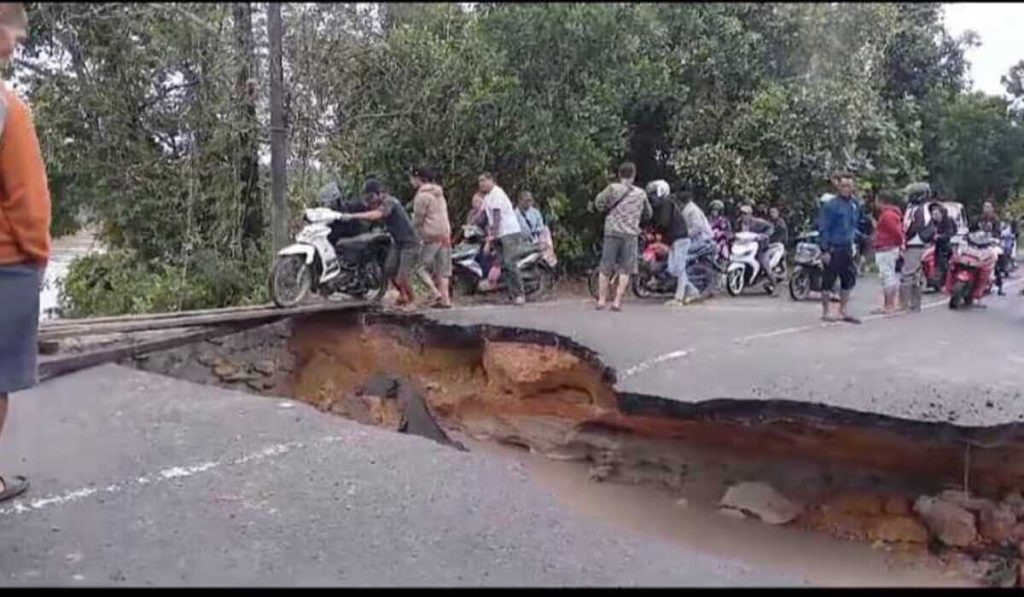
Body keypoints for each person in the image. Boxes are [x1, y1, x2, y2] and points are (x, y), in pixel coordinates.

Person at [0, 2, 47, 504]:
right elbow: (27, 199)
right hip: (6, 263)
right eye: (11, 32)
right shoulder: (7, 107)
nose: (16, 43)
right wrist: (36, 255)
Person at [342, 179, 421, 309]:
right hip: (397, 242)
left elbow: (376, 215)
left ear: (379, 193)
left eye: (371, 197)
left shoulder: (390, 201)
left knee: (402, 277)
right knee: (389, 270)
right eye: (367, 197)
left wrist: (353, 216)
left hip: (409, 243)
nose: (369, 201)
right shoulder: (376, 203)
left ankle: (413, 300)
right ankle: (403, 295)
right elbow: (363, 208)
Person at [593, 161, 651, 312]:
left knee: (606, 266)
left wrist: (607, 209)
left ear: (619, 174)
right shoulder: (641, 194)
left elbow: (598, 203)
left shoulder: (612, 188)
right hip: (630, 234)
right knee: (625, 269)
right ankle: (617, 302)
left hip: (612, 232)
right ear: (634, 175)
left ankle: (601, 300)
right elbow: (648, 214)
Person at [817, 174, 861, 323]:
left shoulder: (854, 205)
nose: (846, 189)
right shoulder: (831, 206)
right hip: (833, 248)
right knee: (828, 281)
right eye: (843, 186)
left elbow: (854, 226)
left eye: (849, 186)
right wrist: (824, 250)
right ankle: (826, 311)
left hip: (848, 247)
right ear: (839, 187)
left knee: (847, 280)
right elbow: (824, 228)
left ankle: (843, 310)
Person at [478, 172, 527, 305]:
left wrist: (492, 235)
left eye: (483, 181)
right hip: (499, 233)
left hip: (508, 232)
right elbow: (482, 215)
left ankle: (520, 293)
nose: (481, 184)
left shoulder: (497, 193)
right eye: (479, 182)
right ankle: (511, 294)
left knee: (510, 262)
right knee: (502, 265)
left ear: (491, 180)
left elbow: (497, 215)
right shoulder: (487, 197)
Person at [410, 167, 453, 309]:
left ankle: (435, 293)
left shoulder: (421, 196)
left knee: (419, 268)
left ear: (418, 178)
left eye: (412, 178)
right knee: (443, 270)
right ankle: (445, 299)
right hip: (445, 234)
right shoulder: (439, 193)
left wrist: (414, 233)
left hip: (432, 236)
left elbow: (418, 220)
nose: (411, 181)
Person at [899, 182, 934, 313]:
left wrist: (905, 237)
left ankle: (904, 304)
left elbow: (916, 226)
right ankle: (914, 305)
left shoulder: (921, 209)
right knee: (915, 276)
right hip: (913, 243)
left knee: (908, 274)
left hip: (915, 244)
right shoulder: (913, 208)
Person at [871, 189, 904, 315]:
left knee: (888, 276)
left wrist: (897, 242)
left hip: (886, 248)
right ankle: (887, 304)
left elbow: (896, 232)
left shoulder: (887, 215)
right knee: (887, 276)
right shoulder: (890, 214)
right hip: (887, 247)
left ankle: (889, 305)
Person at [975, 200, 1006, 295]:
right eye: (985, 207)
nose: (986, 209)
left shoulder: (995, 220)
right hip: (979, 244)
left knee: (996, 258)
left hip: (991, 243)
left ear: (992, 209)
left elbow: (998, 232)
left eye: (988, 207)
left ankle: (999, 285)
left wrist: (992, 236)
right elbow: (972, 229)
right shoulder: (979, 219)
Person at [738, 204, 775, 280]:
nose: (743, 216)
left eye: (745, 214)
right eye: (741, 213)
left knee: (763, 263)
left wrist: (763, 235)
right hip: (744, 246)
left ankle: (772, 280)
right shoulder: (738, 223)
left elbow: (770, 227)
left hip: (760, 247)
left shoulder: (758, 222)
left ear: (750, 215)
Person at [930, 203, 957, 290]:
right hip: (936, 246)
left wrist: (939, 236)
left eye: (936, 214)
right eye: (933, 214)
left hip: (946, 245)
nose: (934, 216)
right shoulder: (932, 223)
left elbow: (950, 233)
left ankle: (944, 281)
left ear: (941, 213)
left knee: (943, 263)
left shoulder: (947, 221)